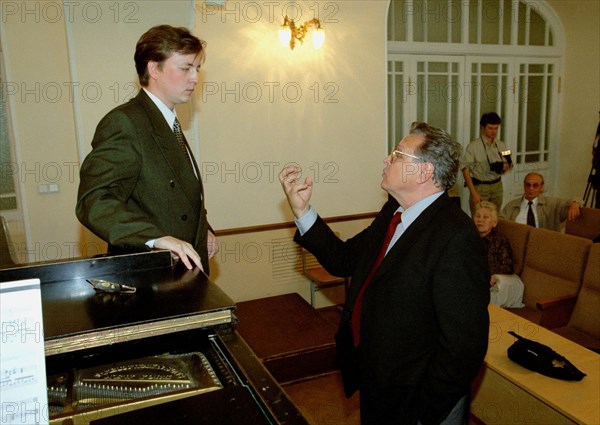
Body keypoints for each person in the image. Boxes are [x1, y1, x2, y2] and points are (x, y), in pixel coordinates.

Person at [279, 122, 489, 424]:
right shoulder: (393, 212)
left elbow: (464, 346)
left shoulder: (456, 237)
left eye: (398, 155)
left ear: (424, 171)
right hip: (378, 380)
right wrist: (302, 210)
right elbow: (344, 259)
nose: (386, 160)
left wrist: (425, 409)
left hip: (416, 398)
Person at [76, 25, 217, 272]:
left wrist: (204, 230)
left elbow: (180, 195)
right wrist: (156, 239)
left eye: (197, 69)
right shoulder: (126, 122)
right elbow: (95, 201)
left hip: (182, 269)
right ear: (154, 69)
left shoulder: (166, 121)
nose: (195, 78)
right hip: (151, 273)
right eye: (185, 68)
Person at [462, 112, 513, 216]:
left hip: (497, 186)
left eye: (496, 128)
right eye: (490, 128)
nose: (493, 131)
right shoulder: (473, 146)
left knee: (495, 217)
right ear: (482, 127)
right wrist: (473, 193)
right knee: (479, 217)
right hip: (480, 187)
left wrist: (506, 166)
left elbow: (509, 163)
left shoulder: (501, 145)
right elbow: (465, 170)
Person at [500, 172, 581, 231]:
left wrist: (575, 203)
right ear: (524, 186)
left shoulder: (552, 204)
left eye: (535, 185)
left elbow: (577, 199)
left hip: (543, 243)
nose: (531, 189)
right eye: (528, 185)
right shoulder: (512, 205)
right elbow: (500, 222)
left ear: (541, 187)